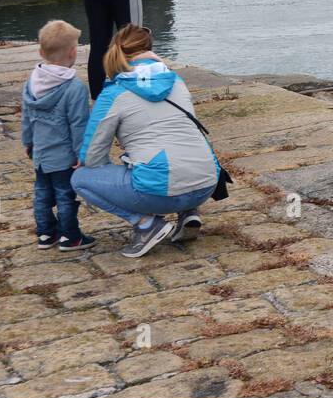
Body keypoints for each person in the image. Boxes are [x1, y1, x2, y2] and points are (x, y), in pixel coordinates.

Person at [73, 25, 222, 258]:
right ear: (151, 50)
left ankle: (146, 224)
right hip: (207, 182)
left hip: (161, 191)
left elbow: (92, 155)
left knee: (80, 178)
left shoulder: (114, 92)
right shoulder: (177, 82)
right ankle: (189, 212)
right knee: (174, 152)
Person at [22, 20, 95, 252]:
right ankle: (70, 236)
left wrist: (28, 141)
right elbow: (78, 125)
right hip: (64, 157)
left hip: (40, 154)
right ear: (74, 52)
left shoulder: (31, 83)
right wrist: (81, 153)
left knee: (42, 194)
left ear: (41, 52)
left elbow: (26, 116)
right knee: (65, 196)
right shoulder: (75, 88)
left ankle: (45, 233)